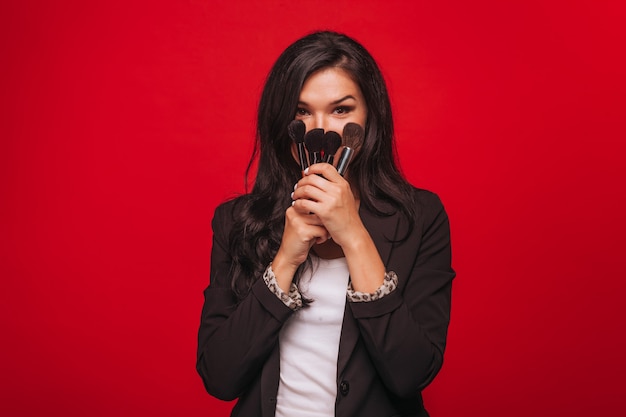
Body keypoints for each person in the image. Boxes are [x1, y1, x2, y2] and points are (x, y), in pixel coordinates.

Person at [197, 31, 455, 417]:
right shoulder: (237, 221)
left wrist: (353, 235)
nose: (323, 130)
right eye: (302, 111)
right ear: (282, 121)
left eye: (341, 110)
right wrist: (285, 260)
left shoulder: (420, 216)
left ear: (370, 116)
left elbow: (411, 374)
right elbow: (219, 377)